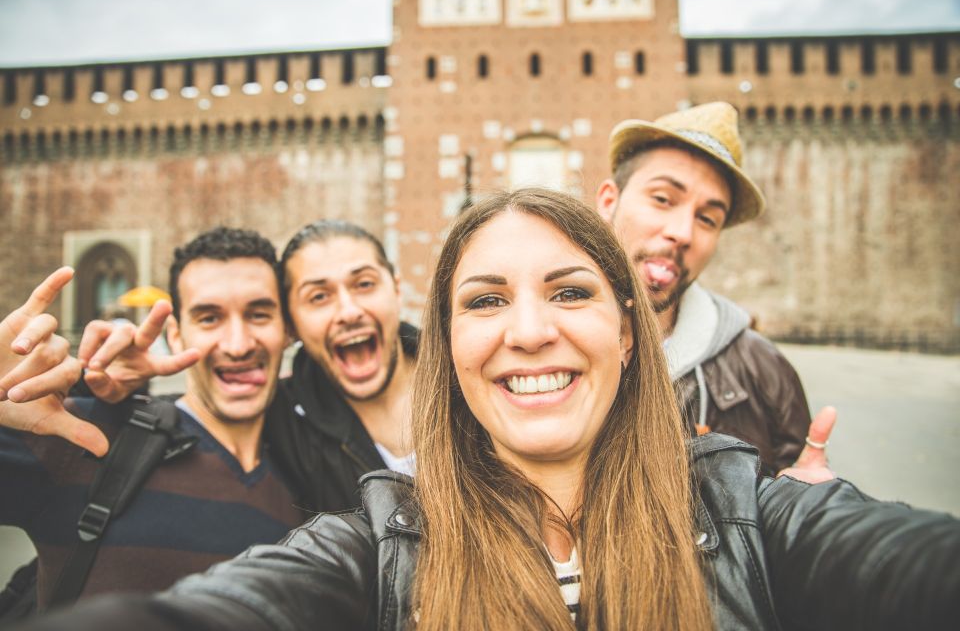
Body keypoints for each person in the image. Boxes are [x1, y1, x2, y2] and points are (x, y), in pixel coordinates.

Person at [15, 188, 959, 631]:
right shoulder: (380, 538)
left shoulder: (754, 514)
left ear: (631, 333)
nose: (531, 331)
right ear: (453, 347)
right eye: (486, 300)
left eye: (572, 292)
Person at [0, 227, 304, 608]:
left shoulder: (309, 473)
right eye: (209, 318)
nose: (238, 344)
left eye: (259, 314)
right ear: (175, 335)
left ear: (287, 331)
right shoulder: (80, 432)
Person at [597, 102, 820, 475]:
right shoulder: (539, 342)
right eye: (663, 199)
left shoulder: (765, 373)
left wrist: (807, 512)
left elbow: (797, 503)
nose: (683, 233)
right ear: (609, 201)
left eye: (707, 218)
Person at [265, 220, 417, 510]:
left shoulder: (465, 378)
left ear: (396, 291)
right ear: (292, 324)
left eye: (364, 284)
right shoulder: (281, 421)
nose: (348, 311)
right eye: (319, 296)